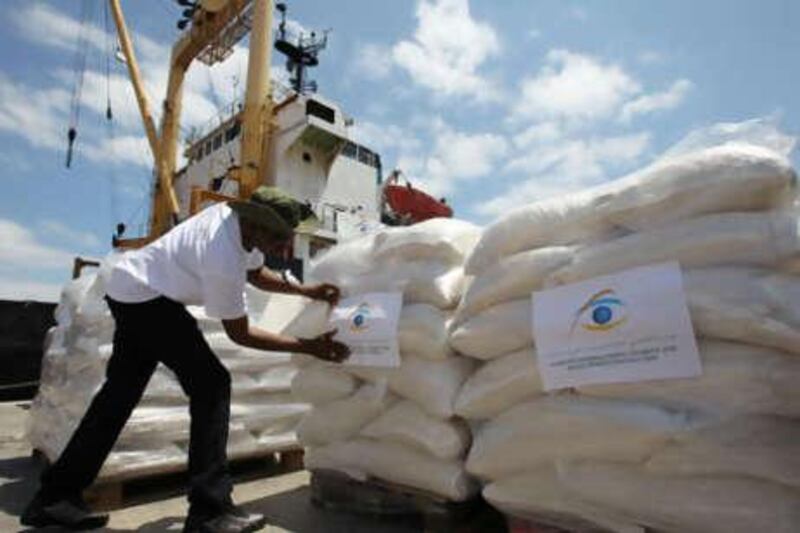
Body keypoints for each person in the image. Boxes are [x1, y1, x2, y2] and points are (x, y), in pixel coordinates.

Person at [22, 186, 350, 533]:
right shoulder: (220, 253)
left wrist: (305, 290)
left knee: (118, 396)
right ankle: (210, 509)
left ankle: (53, 499)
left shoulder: (240, 225)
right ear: (256, 226)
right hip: (148, 299)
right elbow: (241, 334)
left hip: (132, 290)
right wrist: (309, 346)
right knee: (211, 383)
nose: (283, 247)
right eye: (278, 238)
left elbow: (256, 274)